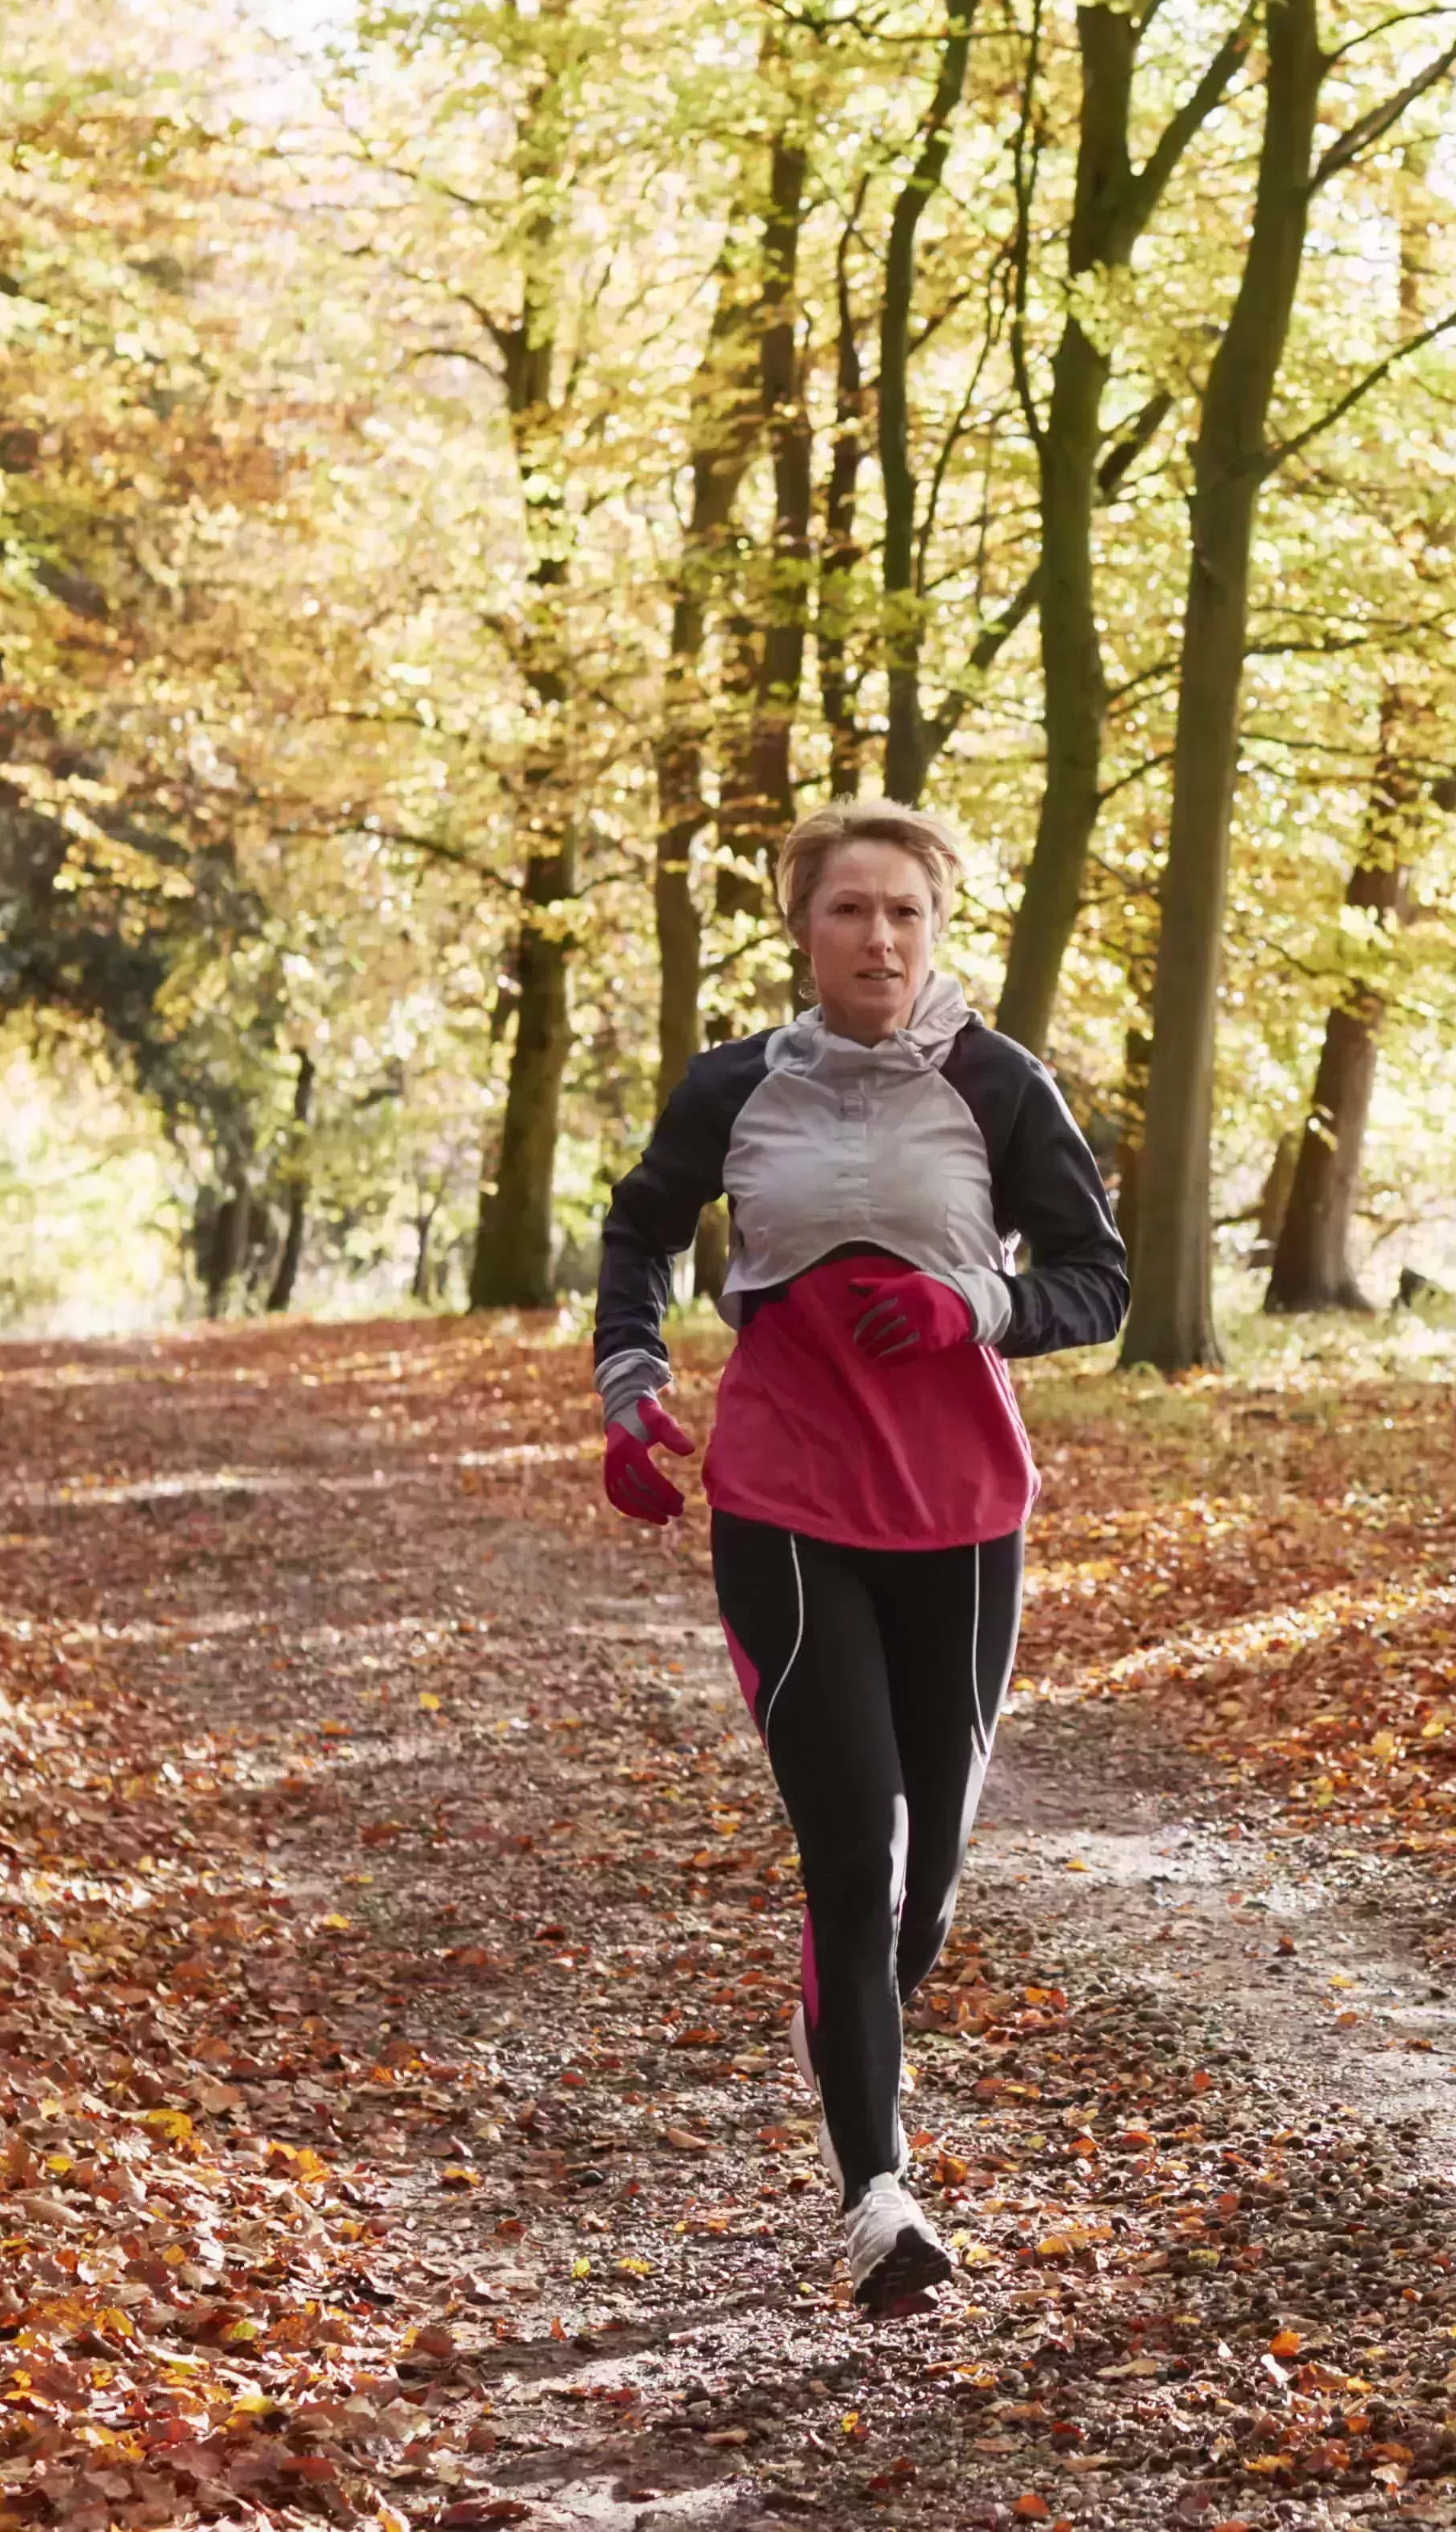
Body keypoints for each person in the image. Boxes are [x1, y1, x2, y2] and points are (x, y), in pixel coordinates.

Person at [587, 799, 1126, 2317]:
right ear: (799, 926)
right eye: (848, 912)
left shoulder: (999, 1084)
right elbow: (637, 1237)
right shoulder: (736, 1088)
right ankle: (877, 2189)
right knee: (857, 1849)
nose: (877, 938)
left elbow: (1101, 1280)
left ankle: (861, 2040)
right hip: (783, 1492)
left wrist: (982, 1312)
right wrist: (635, 1392)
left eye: (904, 913)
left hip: (959, 1507)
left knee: (931, 1874)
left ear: (936, 928)